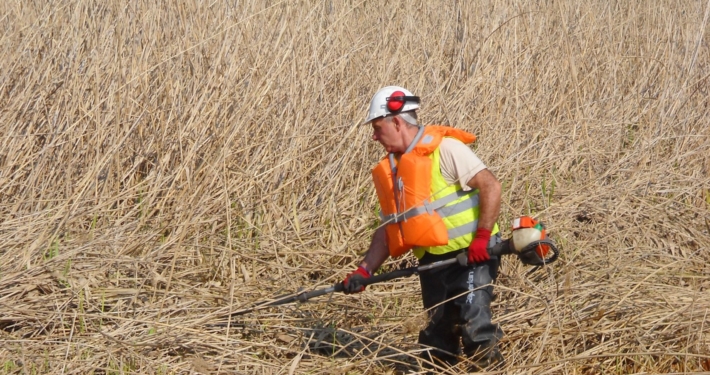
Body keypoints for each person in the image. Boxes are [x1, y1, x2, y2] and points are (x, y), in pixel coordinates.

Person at [342, 86, 505, 370]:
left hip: (474, 253)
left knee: (474, 319)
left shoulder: (447, 149)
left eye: (378, 127)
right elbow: (387, 228)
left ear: (396, 122)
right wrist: (364, 270)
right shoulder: (393, 171)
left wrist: (481, 238)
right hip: (433, 262)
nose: (374, 136)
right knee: (437, 336)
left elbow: (491, 186)